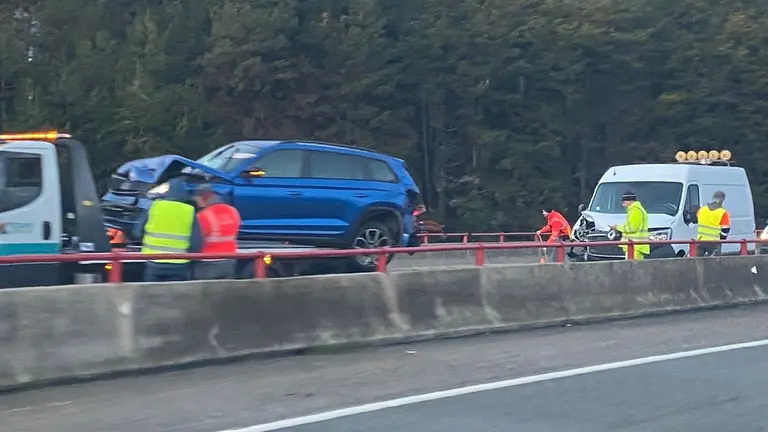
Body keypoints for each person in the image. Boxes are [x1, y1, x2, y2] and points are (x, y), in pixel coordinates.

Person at [133, 178, 202, 282]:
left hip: (154, 262)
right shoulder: (189, 210)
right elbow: (196, 243)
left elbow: (137, 233)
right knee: (175, 296)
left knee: (152, 294)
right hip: (179, 264)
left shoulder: (154, 206)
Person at [191, 183, 242, 280]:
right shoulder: (232, 211)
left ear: (204, 198)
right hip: (229, 259)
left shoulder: (203, 216)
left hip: (207, 262)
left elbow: (196, 243)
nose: (197, 203)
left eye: (197, 200)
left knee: (205, 293)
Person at [609, 190, 650, 260]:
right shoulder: (636, 209)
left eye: (624, 202)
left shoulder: (635, 210)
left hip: (634, 246)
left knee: (632, 268)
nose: (623, 204)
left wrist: (617, 227)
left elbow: (632, 228)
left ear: (630, 201)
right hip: (636, 246)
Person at [696, 190, 731, 257]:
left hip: (700, 241)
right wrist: (721, 240)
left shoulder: (701, 210)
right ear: (722, 200)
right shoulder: (723, 212)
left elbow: (698, 219)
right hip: (714, 243)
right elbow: (725, 230)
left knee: (697, 262)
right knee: (714, 264)